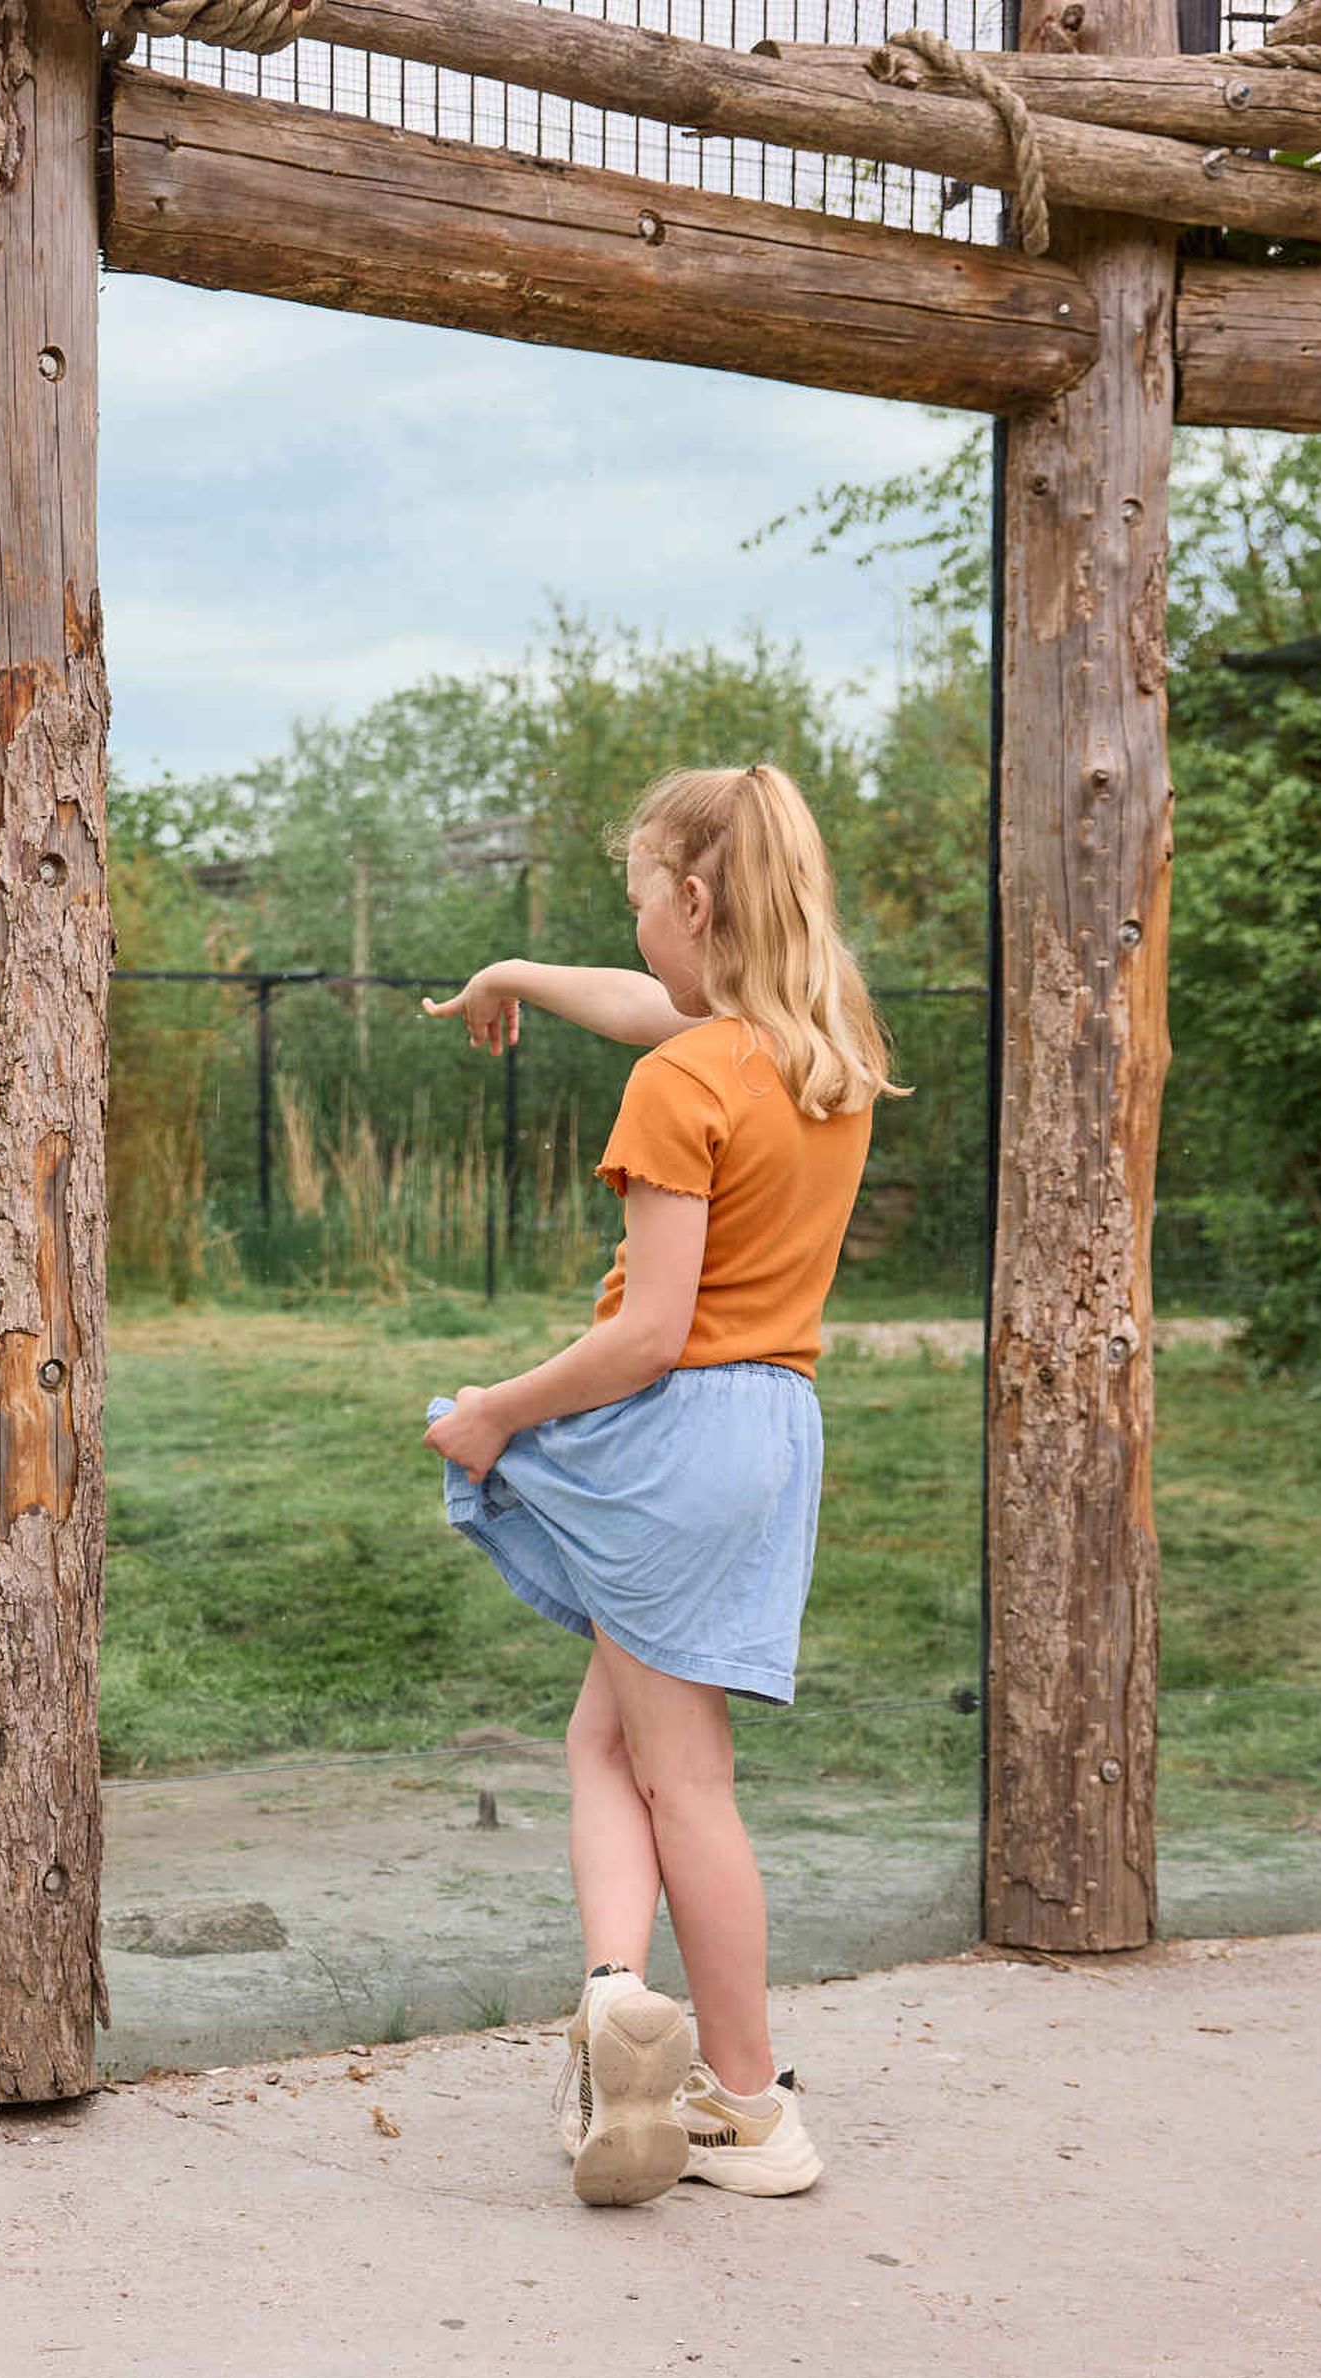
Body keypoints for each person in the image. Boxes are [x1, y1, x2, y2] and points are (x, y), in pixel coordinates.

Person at [418, 765, 898, 2209]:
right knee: (608, 1742)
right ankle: (620, 2000)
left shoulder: (680, 1082)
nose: (631, 934)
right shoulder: (821, 1051)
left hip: (669, 1428)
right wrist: (510, 969)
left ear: (693, 901)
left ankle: (749, 2104)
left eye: (639, 900)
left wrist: (495, 1412)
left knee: (683, 1773)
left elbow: (646, 1332)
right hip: (772, 1431)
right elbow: (648, 1006)